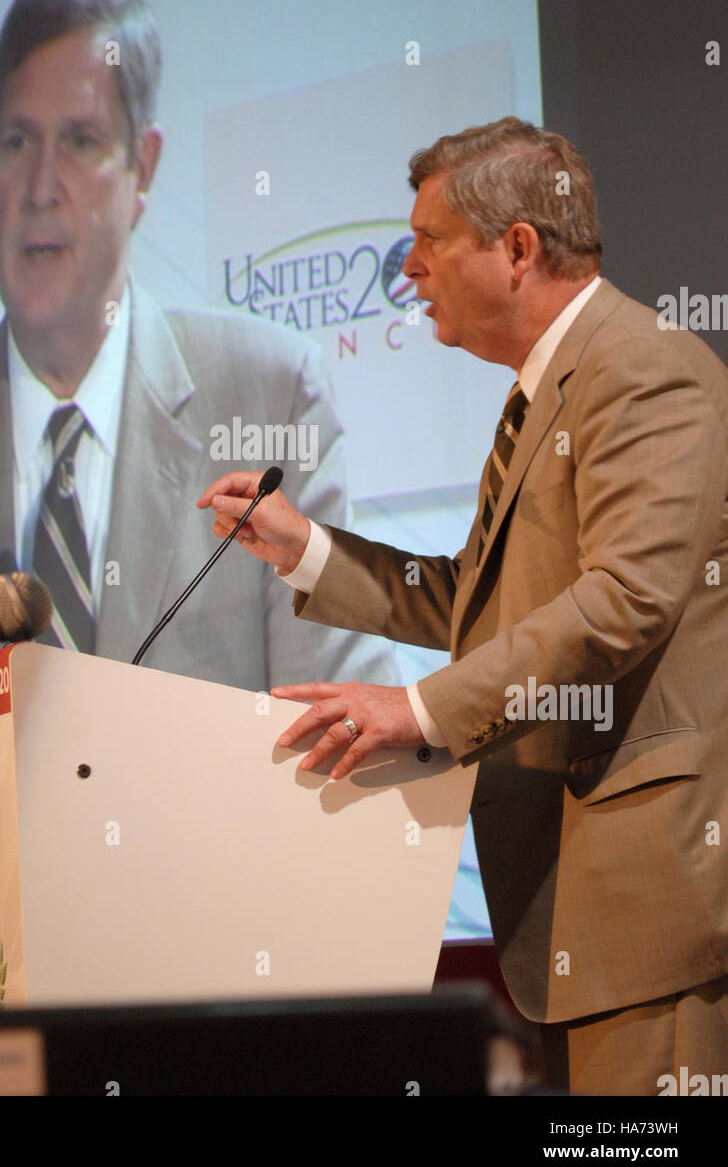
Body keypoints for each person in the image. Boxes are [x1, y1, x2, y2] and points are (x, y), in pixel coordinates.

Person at [0, 0, 396, 898]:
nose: (40, 185)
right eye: (13, 141)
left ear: (143, 166)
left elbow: (348, 744)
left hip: (199, 1004)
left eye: (78, 141)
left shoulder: (269, 394)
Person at [199, 117, 728, 1096]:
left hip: (652, 909)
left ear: (518, 248)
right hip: (578, 917)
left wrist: (417, 710)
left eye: (430, 241)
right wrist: (307, 547)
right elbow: (478, 601)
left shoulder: (641, 367)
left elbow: (625, 601)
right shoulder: (547, 390)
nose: (407, 269)